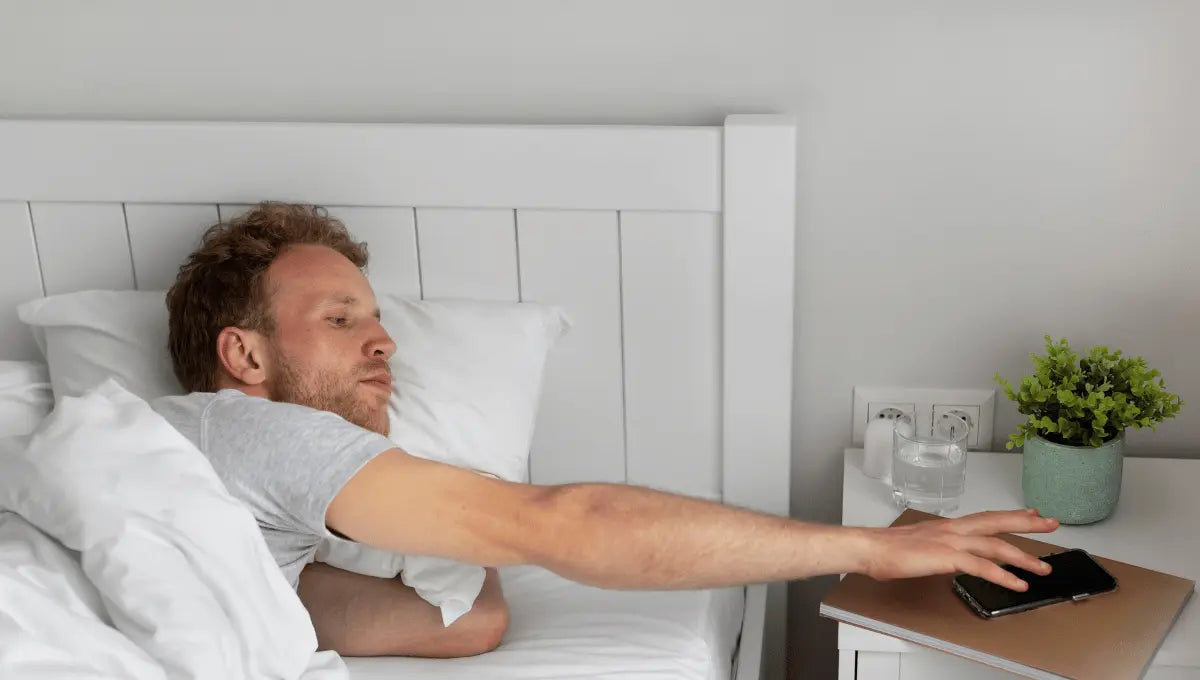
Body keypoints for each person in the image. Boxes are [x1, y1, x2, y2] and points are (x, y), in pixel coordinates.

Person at [151, 202, 1059, 659]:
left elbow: (463, 625)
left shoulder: (228, 513)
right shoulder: (258, 436)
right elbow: (567, 522)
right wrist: (865, 549)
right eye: (341, 319)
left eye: (375, 317)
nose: (384, 338)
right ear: (246, 356)